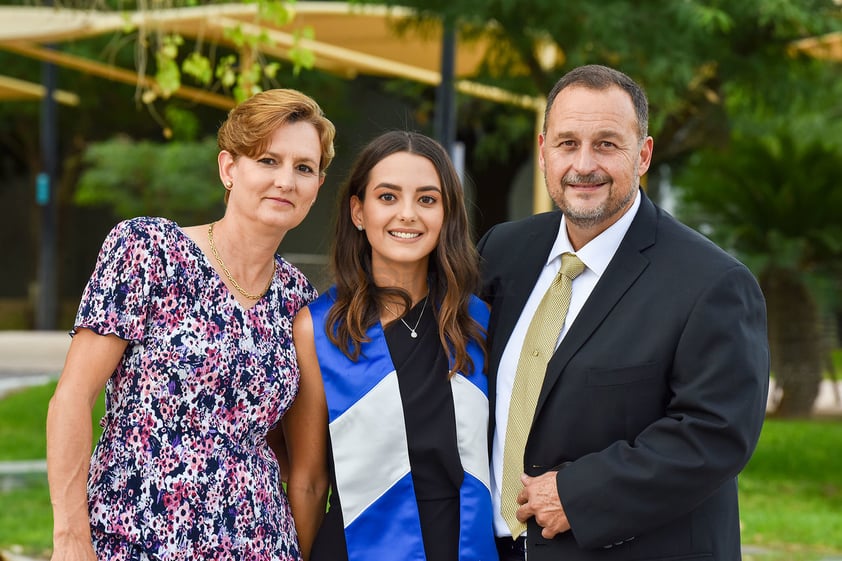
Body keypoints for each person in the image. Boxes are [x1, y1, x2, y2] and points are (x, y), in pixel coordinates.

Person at [478, 64, 770, 560]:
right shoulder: (501, 251)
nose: (584, 164)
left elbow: (715, 434)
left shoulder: (713, 283)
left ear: (644, 154)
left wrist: (577, 494)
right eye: (568, 143)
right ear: (544, 149)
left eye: (607, 144)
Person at [46, 88, 335, 561]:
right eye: (268, 160)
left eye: (304, 167)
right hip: (134, 537)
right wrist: (71, 538)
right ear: (229, 169)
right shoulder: (148, 250)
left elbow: (300, 466)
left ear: (317, 185)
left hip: (260, 545)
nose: (286, 180)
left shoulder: (298, 299)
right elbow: (72, 399)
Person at [283, 130, 499, 561]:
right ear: (358, 211)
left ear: (446, 214)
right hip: (359, 546)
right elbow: (308, 481)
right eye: (387, 197)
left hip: (465, 547)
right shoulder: (319, 329)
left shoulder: (480, 323)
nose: (408, 215)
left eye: (427, 199)